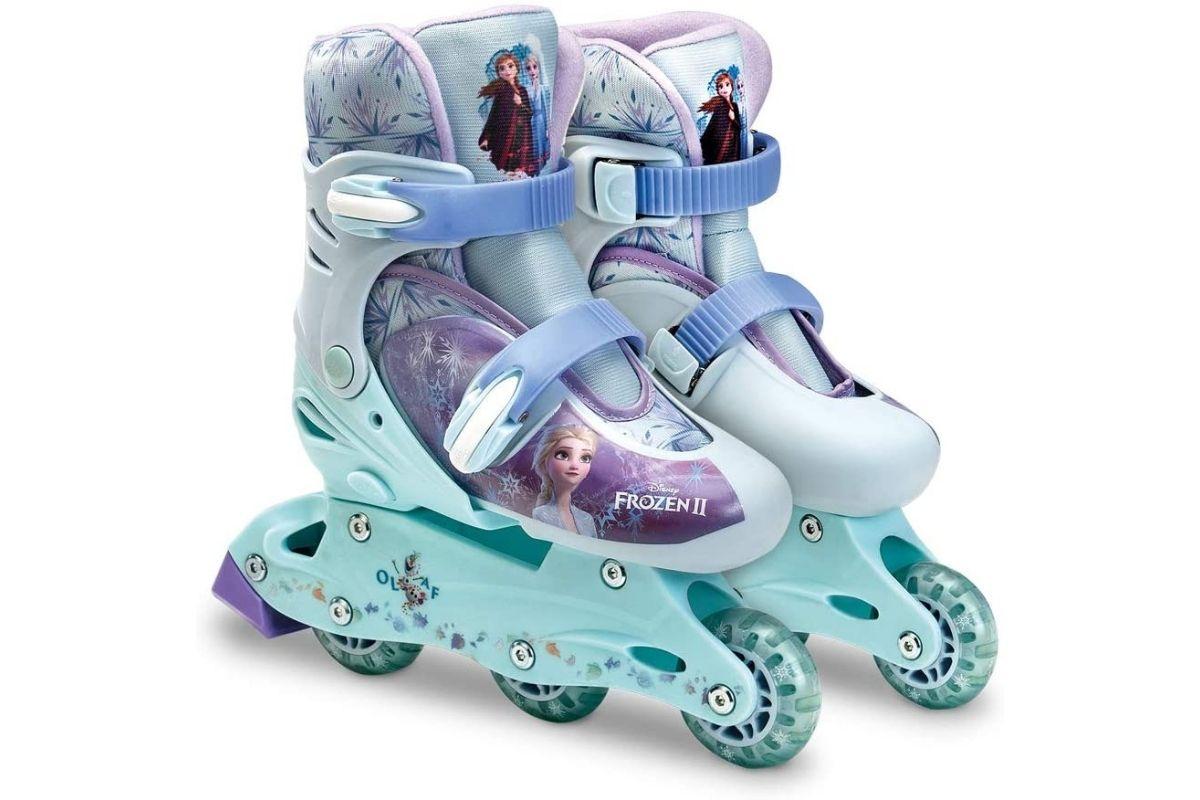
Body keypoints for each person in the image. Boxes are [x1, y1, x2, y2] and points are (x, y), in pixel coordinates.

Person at [478, 52, 539, 177]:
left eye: (510, 66)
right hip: (505, 134)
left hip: (522, 135)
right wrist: (486, 137)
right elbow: (494, 115)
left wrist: (520, 104)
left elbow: (529, 114)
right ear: (499, 73)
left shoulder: (522, 91)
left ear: (517, 68)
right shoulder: (501, 92)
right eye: (502, 68)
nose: (507, 71)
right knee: (505, 163)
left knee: (520, 164)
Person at [531, 424, 599, 537]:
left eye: (585, 458)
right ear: (544, 463)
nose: (575, 465)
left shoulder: (587, 519)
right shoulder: (540, 514)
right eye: (563, 455)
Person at [697, 71, 742, 164]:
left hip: (732, 145)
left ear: (732, 86)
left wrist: (733, 119)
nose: (724, 88)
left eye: (727, 85)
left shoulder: (734, 106)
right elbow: (713, 125)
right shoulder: (720, 105)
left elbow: (738, 127)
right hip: (720, 144)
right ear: (718, 90)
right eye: (720, 86)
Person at [524, 53, 551, 169]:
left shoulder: (544, 89)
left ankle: (544, 168)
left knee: (543, 145)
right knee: (534, 146)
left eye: (535, 67)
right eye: (528, 68)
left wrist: (548, 128)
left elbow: (546, 109)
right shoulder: (526, 90)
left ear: (539, 68)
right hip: (532, 122)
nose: (532, 71)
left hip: (541, 121)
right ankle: (536, 169)